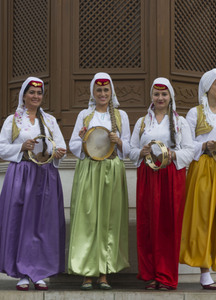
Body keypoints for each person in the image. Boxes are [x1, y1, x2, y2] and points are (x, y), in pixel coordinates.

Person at [0, 77, 67, 291]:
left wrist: (57, 152)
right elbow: (1, 147)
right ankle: (23, 273)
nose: (36, 96)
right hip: (22, 174)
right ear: (24, 95)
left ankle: (40, 272)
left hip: (45, 175)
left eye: (39, 93)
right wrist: (22, 146)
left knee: (42, 224)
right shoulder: (13, 120)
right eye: (32, 92)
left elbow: (60, 145)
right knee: (22, 223)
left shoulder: (50, 121)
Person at [130, 77, 194, 290]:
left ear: (170, 97)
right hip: (148, 174)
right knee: (148, 224)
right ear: (152, 97)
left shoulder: (180, 122)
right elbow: (130, 150)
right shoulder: (142, 122)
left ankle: (166, 276)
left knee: (168, 224)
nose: (160, 98)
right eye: (156, 94)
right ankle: (150, 274)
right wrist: (142, 151)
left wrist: (172, 155)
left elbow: (190, 150)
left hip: (170, 176)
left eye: (164, 94)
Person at [68, 72, 130, 290]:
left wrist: (119, 141)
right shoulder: (85, 115)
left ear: (111, 92)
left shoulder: (121, 116)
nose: (103, 94)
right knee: (89, 220)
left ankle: (104, 272)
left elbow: (129, 150)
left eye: (106, 90)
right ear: (93, 92)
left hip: (112, 170)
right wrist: (84, 140)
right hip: (89, 170)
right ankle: (87, 272)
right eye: (99, 90)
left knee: (108, 221)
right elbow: (73, 146)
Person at [180, 68, 216, 290]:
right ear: (207, 87)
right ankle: (205, 270)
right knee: (202, 217)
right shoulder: (194, 114)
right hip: (203, 166)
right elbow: (187, 144)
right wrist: (205, 145)